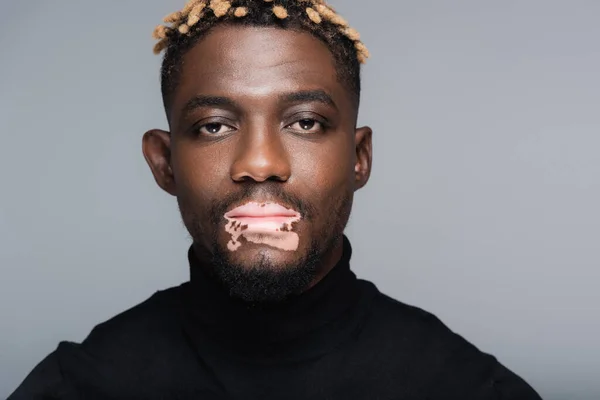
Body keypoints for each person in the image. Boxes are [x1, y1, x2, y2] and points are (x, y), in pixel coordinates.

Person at [8, 0, 542, 399]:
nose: (260, 163)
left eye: (306, 122)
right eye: (214, 126)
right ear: (164, 164)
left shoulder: (466, 387)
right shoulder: (79, 386)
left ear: (359, 158)